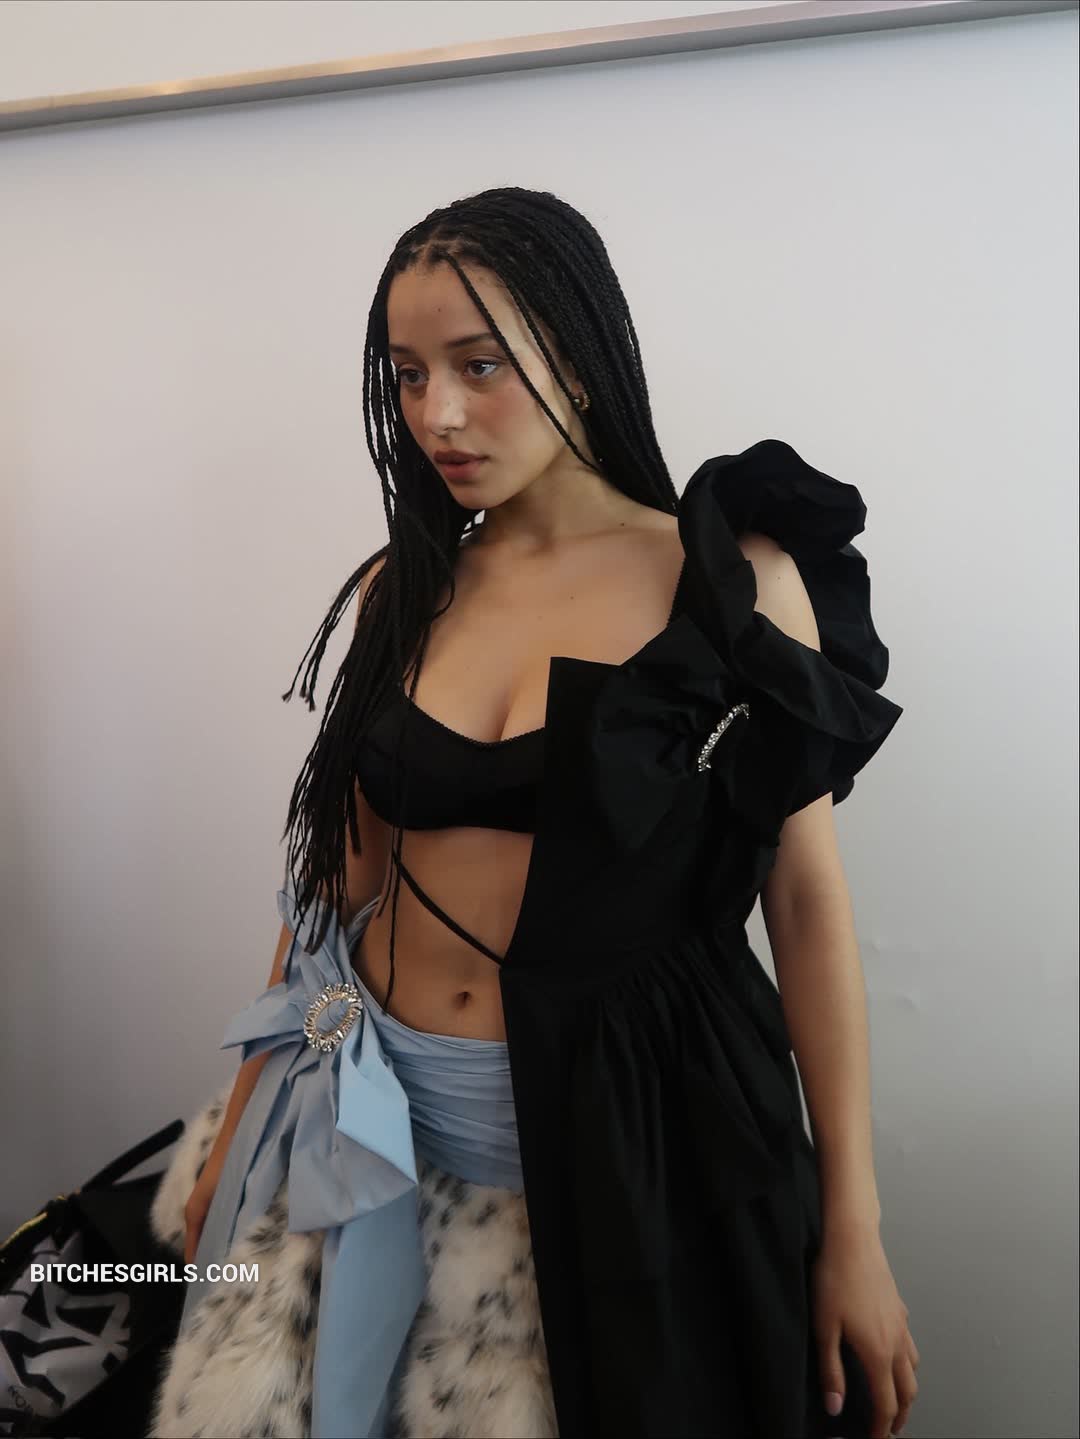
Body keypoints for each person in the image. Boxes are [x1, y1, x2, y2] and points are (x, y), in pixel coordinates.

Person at [156, 186, 918, 1439]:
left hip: (633, 1142)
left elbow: (806, 903)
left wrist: (855, 1224)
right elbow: (339, 885)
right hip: (374, 1123)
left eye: (480, 364)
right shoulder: (403, 587)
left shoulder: (732, 588)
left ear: (577, 352)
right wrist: (243, 1134)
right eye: (407, 374)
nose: (438, 415)